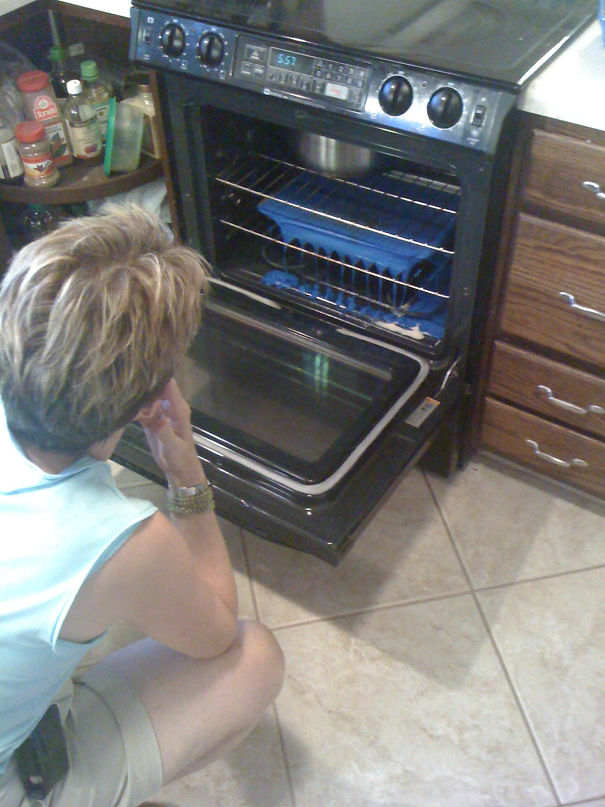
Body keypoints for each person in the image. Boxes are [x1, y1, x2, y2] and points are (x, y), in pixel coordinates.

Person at [0, 205, 285, 807]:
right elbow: (214, 633)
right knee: (255, 658)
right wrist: (183, 469)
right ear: (149, 396)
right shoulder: (118, 541)